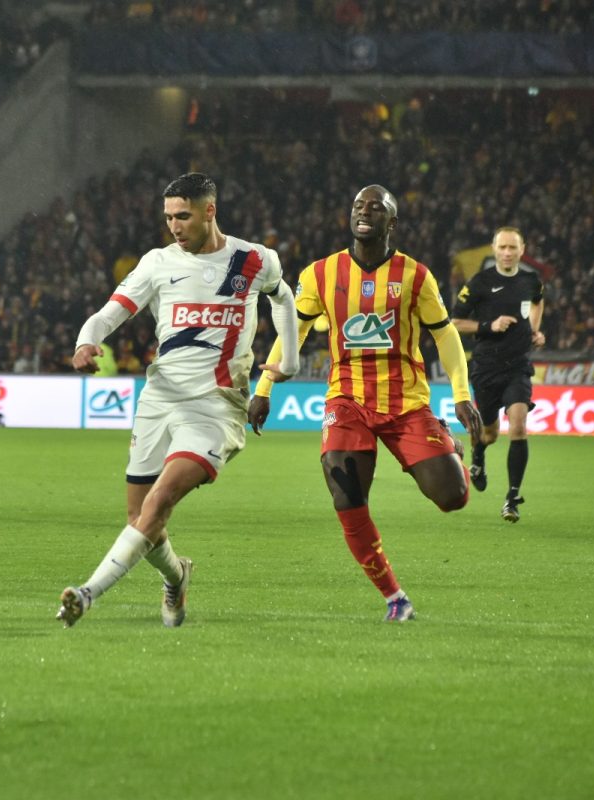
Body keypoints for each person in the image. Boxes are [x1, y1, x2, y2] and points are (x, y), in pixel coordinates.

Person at [57, 172, 300, 628]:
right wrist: (84, 343)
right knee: (140, 515)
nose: (174, 225)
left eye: (183, 215)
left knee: (160, 499)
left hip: (216, 405)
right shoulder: (157, 263)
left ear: (210, 211)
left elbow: (284, 297)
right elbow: (107, 314)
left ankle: (88, 593)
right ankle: (177, 575)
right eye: (168, 216)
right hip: (160, 398)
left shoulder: (253, 259)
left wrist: (289, 360)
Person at [249, 184, 482, 623]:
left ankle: (448, 449)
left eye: (376, 208)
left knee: (452, 498)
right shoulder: (321, 274)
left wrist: (461, 395)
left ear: (391, 223)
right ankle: (395, 597)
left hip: (406, 403)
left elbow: (445, 334)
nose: (365, 212)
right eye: (359, 206)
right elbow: (293, 331)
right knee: (346, 493)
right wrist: (264, 388)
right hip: (347, 399)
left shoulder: (415, 276)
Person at [450, 226, 545, 522]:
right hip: (486, 367)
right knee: (489, 433)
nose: (507, 253)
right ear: (494, 249)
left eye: (512, 248)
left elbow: (538, 301)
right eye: (502, 247)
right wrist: (487, 326)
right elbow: (454, 321)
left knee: (518, 426)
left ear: (522, 249)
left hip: (518, 366)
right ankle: (478, 456)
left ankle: (512, 497)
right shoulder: (480, 282)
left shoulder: (531, 281)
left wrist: (535, 330)